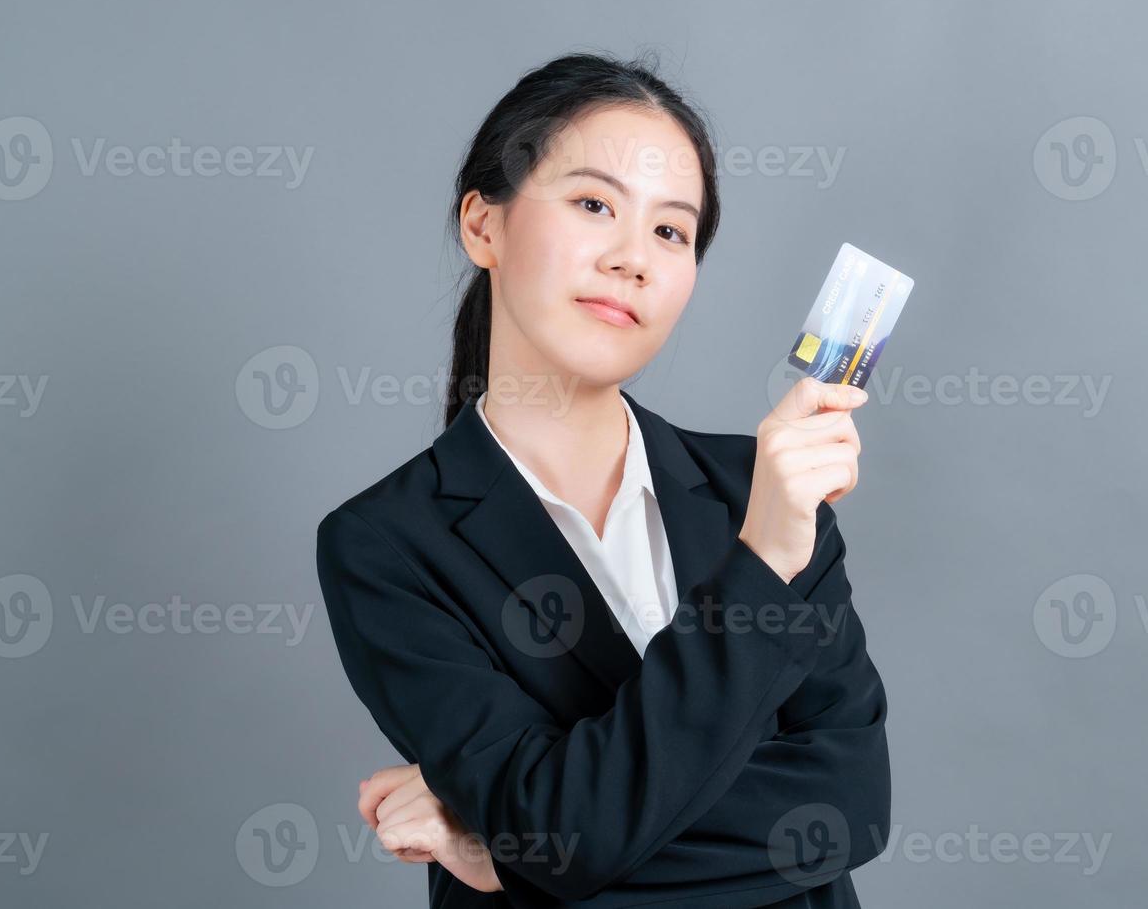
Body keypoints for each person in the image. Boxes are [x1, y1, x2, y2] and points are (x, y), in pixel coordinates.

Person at [315, 50, 890, 908]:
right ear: (484, 226)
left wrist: (505, 854)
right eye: (593, 205)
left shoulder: (759, 487)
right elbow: (569, 834)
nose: (634, 259)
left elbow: (850, 807)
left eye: (670, 230)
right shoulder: (386, 545)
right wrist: (761, 562)